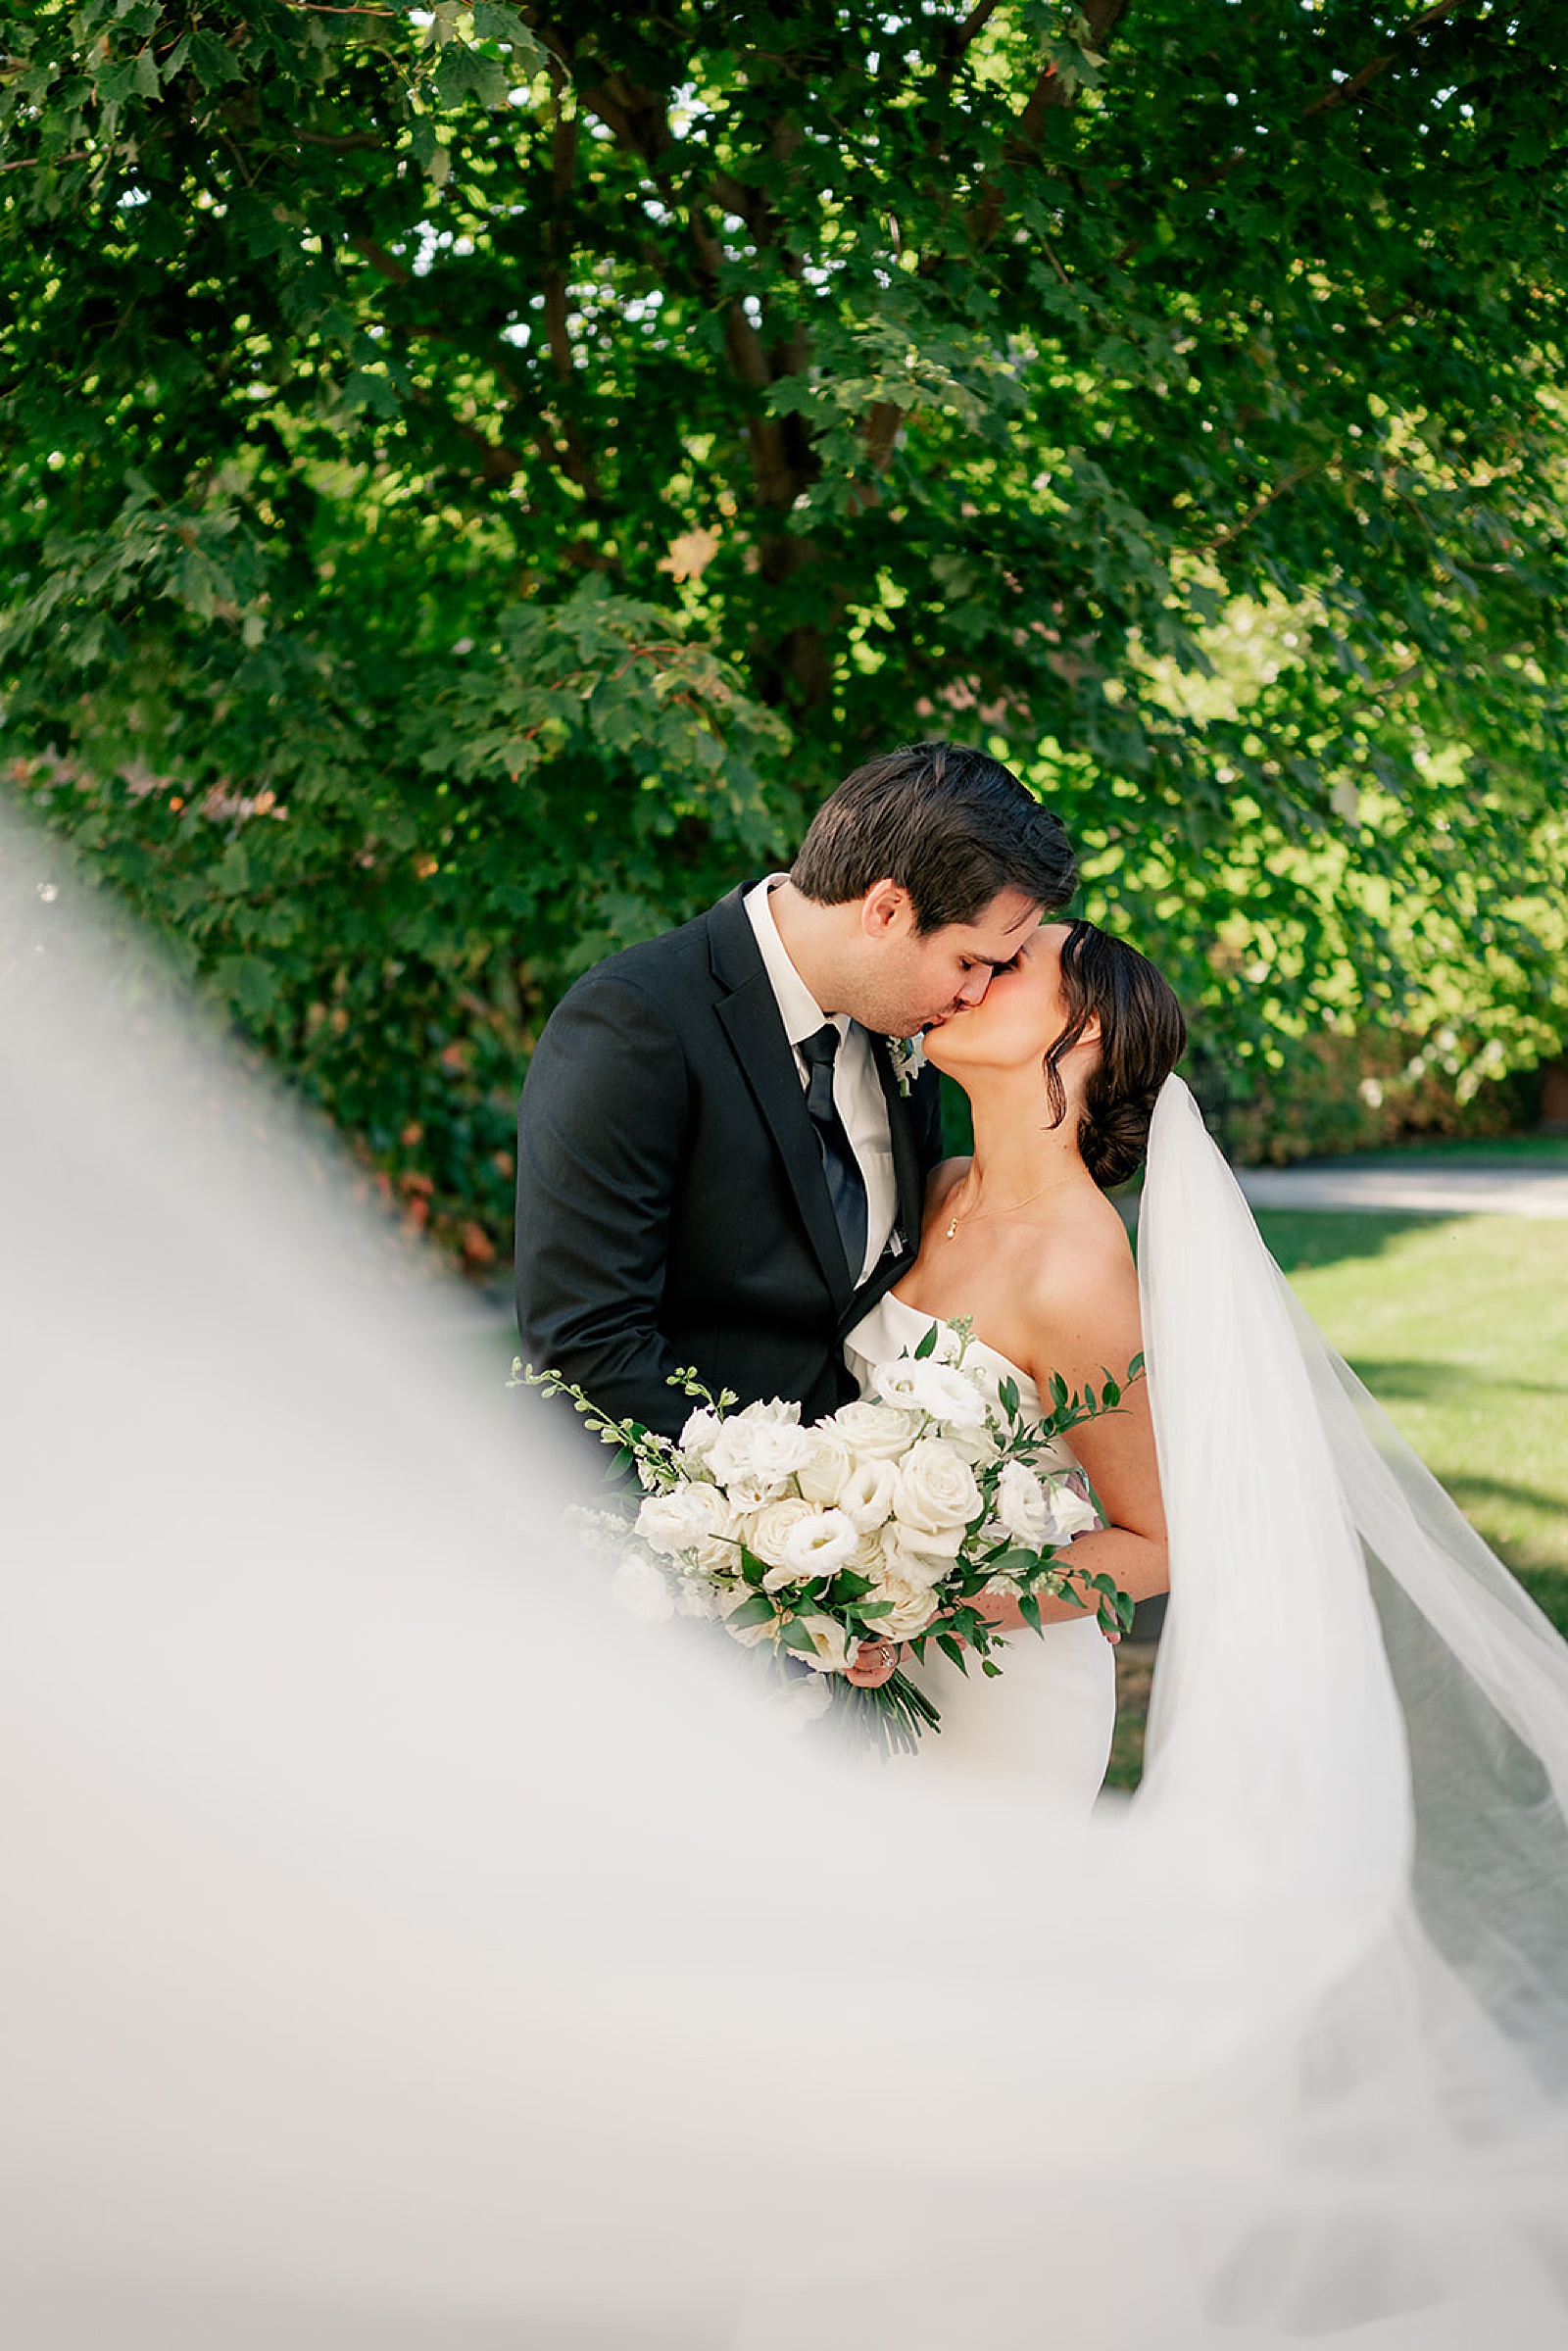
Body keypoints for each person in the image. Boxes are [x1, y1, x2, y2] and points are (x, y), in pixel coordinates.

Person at [514, 741, 1076, 1439]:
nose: (975, 994)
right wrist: (781, 1503)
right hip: (670, 1522)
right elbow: (585, 1343)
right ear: (886, 910)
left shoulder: (904, 1035)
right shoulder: (635, 1023)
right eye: (968, 961)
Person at [843, 918, 1183, 1796]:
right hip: (866, 1677)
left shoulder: (1076, 1269)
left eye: (1008, 963)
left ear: (1090, 1024)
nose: (969, 978)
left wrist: (922, 1608)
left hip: (1004, 1701)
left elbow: (1157, 1541)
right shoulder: (938, 1183)